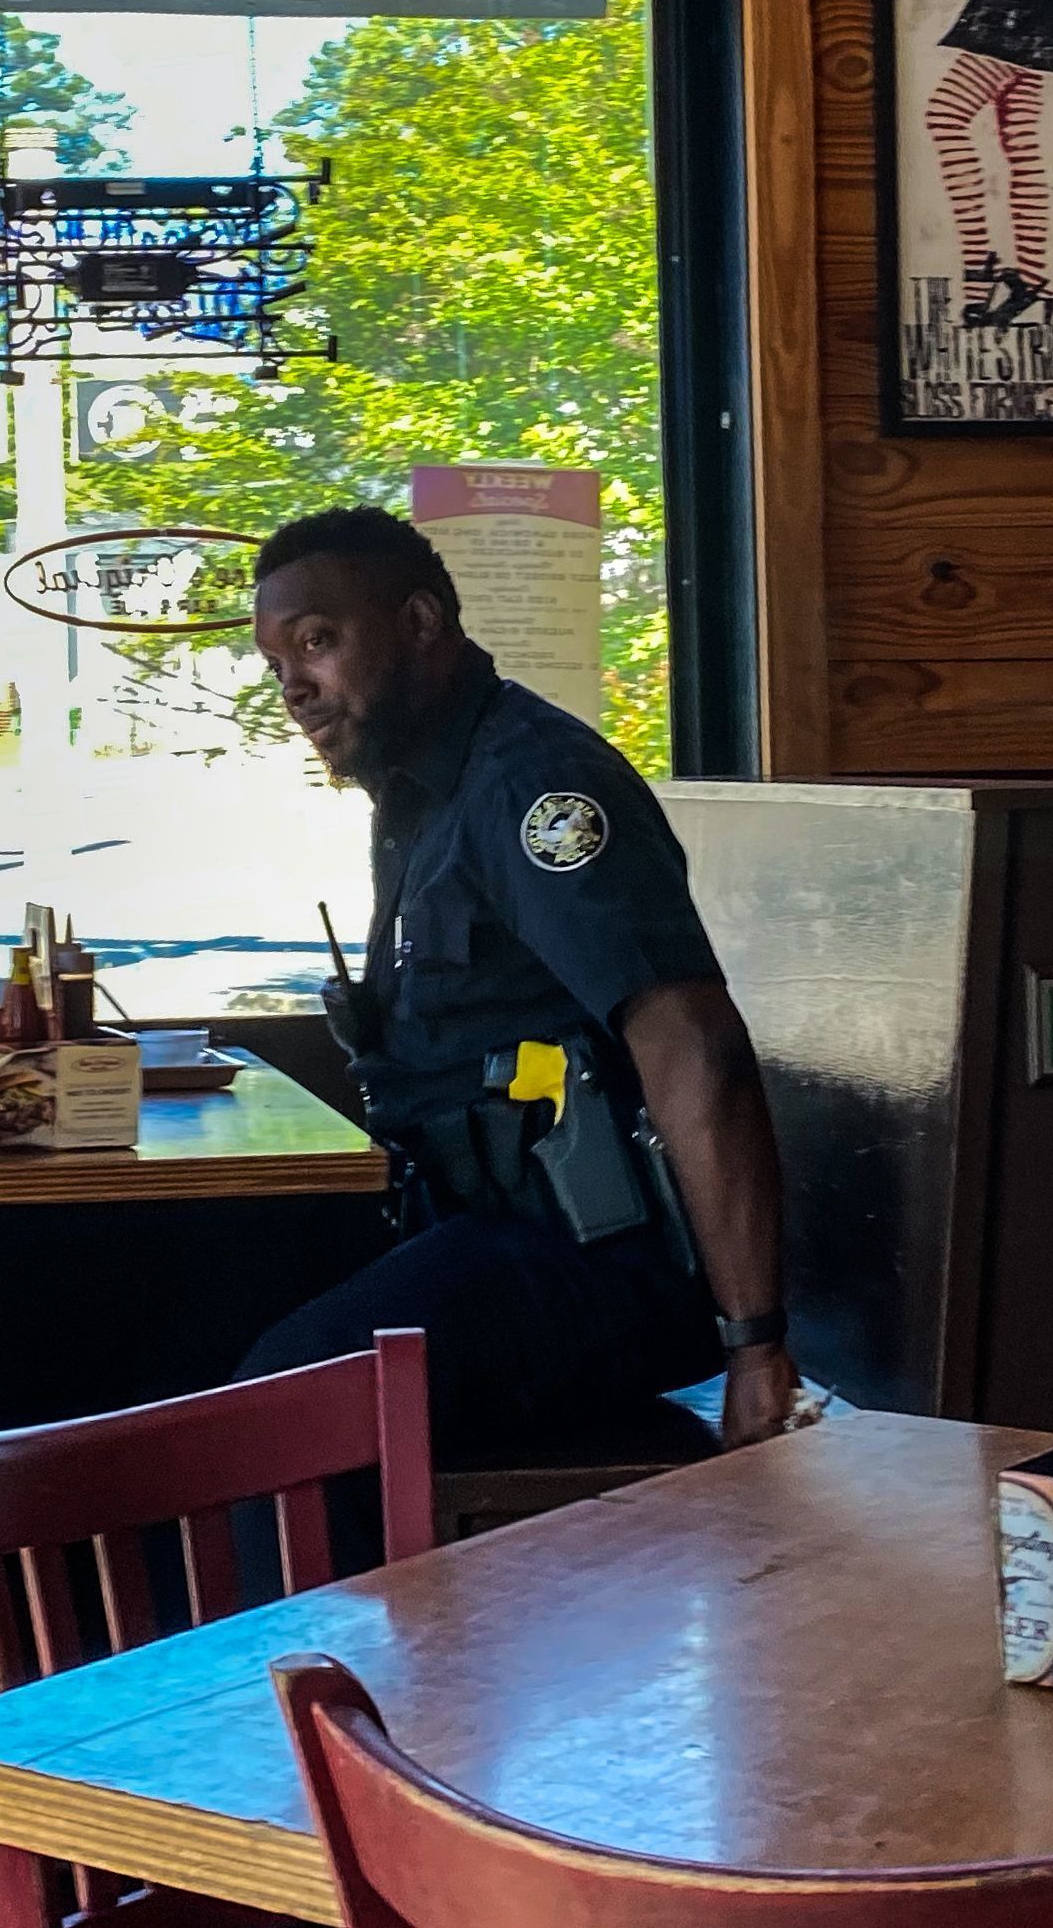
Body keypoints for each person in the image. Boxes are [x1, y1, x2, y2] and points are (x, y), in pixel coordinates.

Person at [240, 506, 805, 1454]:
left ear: (421, 623)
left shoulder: (531, 786)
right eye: (277, 664)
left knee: (286, 1410)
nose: (295, 685)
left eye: (318, 641)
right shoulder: (420, 794)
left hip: (592, 1255)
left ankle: (322, 1612)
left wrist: (756, 1347)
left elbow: (694, 1046)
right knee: (208, 1319)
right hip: (481, 1227)